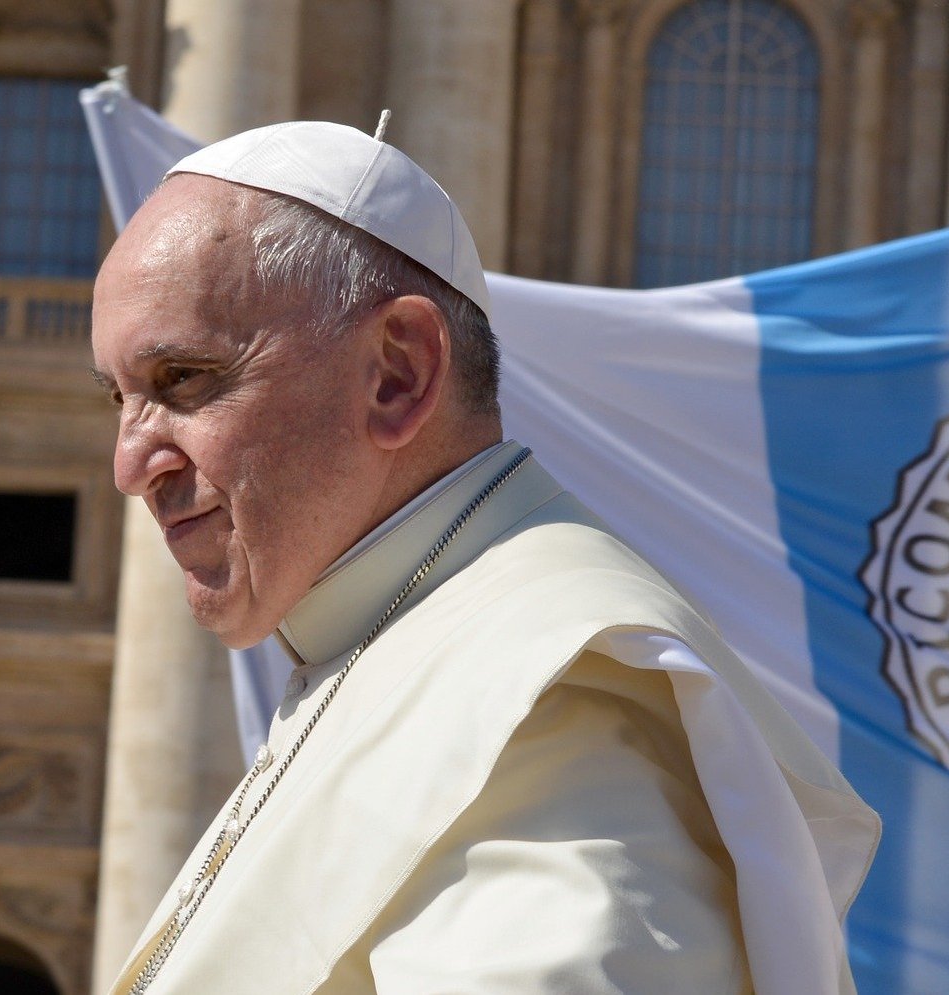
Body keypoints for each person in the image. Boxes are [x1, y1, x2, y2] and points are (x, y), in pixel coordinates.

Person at [89, 121, 880, 995]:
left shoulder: (557, 703)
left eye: (184, 381)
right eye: (119, 398)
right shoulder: (383, 638)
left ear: (396, 374)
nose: (131, 466)